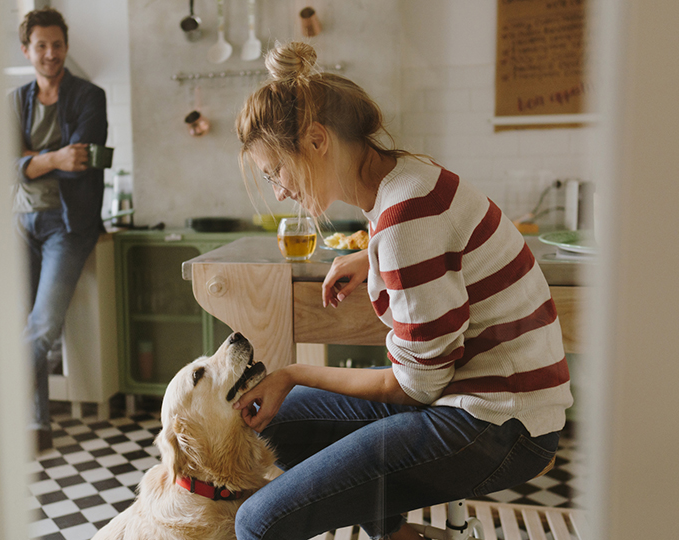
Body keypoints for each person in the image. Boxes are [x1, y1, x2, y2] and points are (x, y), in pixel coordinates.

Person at [231, 42, 573, 540]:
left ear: (317, 140)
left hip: (501, 425)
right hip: (470, 392)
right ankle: (395, 534)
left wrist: (293, 372)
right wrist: (371, 255)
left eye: (276, 172)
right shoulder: (404, 183)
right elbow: (433, 251)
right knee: (275, 423)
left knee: (259, 523)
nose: (280, 191)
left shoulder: (404, 218)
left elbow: (416, 387)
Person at [10, 7, 107, 451]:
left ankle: (11, 417)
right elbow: (8, 167)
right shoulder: (15, 101)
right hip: (21, 222)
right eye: (41, 46)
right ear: (27, 50)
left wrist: (31, 159)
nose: (50, 54)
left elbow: (82, 165)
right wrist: (52, 157)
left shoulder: (89, 96)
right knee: (18, 324)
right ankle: (34, 425)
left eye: (57, 45)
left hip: (68, 225)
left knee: (42, 326)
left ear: (65, 47)